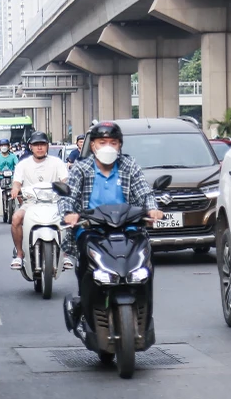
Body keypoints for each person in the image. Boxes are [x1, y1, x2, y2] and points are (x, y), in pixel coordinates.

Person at [59, 122, 165, 318]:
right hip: (92, 229)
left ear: (120, 145)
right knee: (85, 265)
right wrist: (69, 213)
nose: (108, 146)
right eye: (102, 142)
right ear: (93, 146)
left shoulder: (129, 164)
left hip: (129, 227)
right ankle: (85, 307)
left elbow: (144, 191)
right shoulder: (81, 168)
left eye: (113, 142)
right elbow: (68, 196)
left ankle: (145, 310)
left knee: (145, 262)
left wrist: (152, 209)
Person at [9, 132, 69, 270]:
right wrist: (15, 189)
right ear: (31, 147)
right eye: (36, 145)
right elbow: (17, 182)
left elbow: (65, 180)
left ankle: (65, 254)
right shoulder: (23, 165)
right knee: (16, 218)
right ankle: (19, 254)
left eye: (42, 144)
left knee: (70, 218)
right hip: (31, 203)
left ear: (47, 146)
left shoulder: (57, 163)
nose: (40, 148)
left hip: (54, 202)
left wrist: (68, 188)